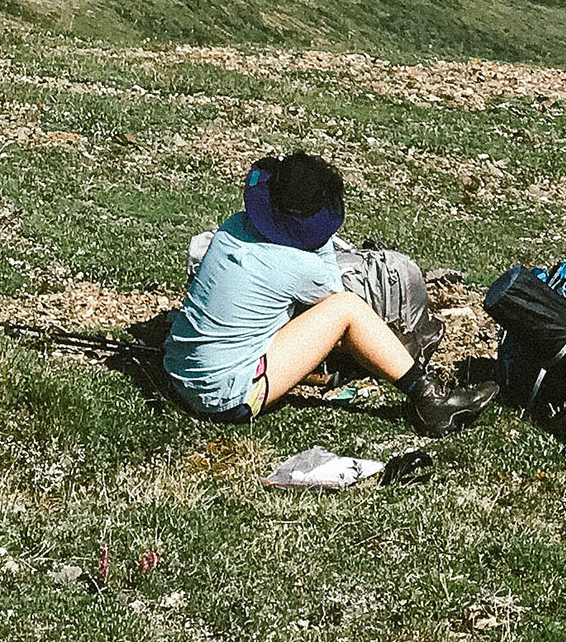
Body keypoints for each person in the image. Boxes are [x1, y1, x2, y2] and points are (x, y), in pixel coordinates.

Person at [162, 150, 482, 435]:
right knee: (346, 309)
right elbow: (335, 297)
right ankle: (429, 398)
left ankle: (392, 365)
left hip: (179, 372)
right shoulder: (302, 267)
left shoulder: (234, 227)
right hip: (225, 396)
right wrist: (320, 236)